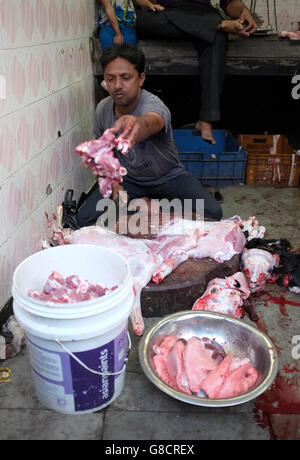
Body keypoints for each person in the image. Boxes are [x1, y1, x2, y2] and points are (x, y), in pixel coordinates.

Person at [76, 43, 222, 228]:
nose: (118, 85)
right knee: (85, 219)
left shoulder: (154, 105)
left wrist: (137, 124)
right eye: (111, 78)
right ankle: (143, 209)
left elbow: (151, 121)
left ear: (141, 78)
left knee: (212, 212)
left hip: (169, 178)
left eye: (126, 78)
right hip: (129, 180)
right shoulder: (103, 109)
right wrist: (114, 183)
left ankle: (151, 207)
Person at [135, 0, 257, 144]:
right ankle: (217, 25)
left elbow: (229, 2)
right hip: (165, 15)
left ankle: (207, 118)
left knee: (217, 36)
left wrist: (243, 12)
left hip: (202, 14)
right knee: (139, 19)